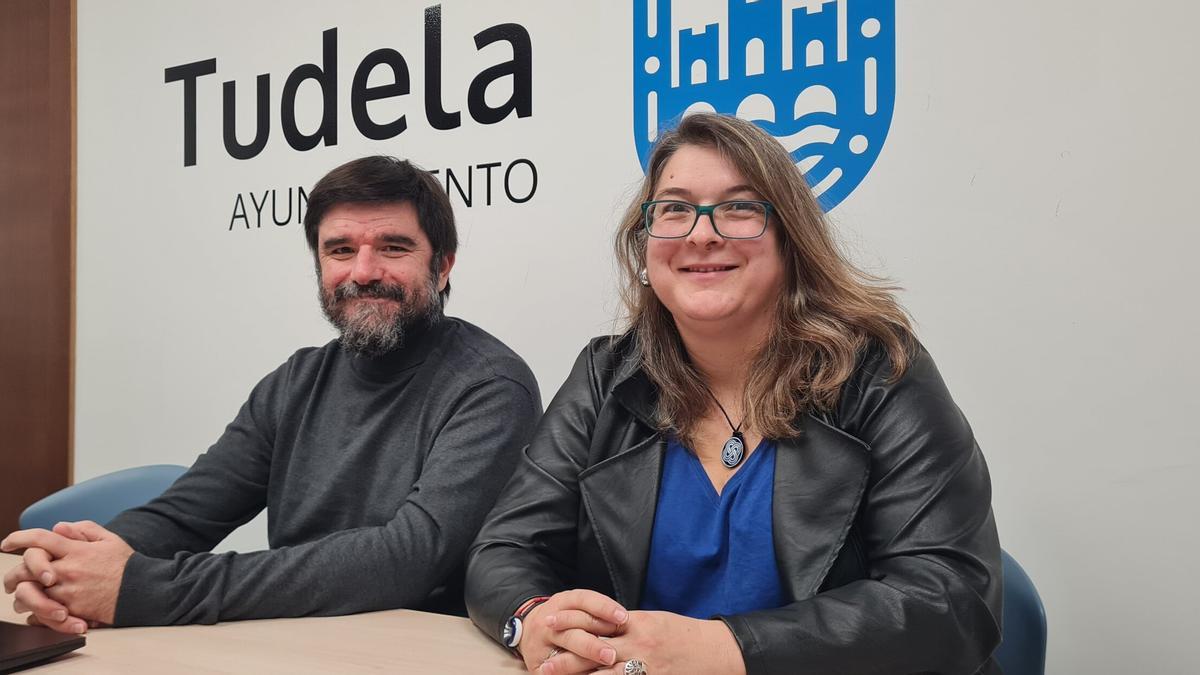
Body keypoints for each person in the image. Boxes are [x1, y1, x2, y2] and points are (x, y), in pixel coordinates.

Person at [465, 113, 1002, 675]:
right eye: (674, 209)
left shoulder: (878, 371)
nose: (701, 234)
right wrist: (532, 617)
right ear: (645, 247)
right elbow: (504, 549)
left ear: (791, 240)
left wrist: (722, 650)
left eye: (739, 207)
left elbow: (950, 598)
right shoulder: (607, 375)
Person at [2, 156, 541, 632]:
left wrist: (142, 589)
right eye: (340, 250)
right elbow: (187, 514)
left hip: (413, 649)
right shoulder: (297, 380)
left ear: (441, 267)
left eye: (393, 248)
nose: (363, 272)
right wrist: (73, 569)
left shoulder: (491, 387)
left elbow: (408, 560)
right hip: (288, 638)